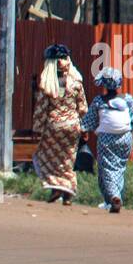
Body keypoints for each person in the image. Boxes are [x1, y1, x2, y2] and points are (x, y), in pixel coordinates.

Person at [80, 67, 133, 213]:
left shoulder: (99, 101)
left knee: (107, 169)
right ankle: (111, 199)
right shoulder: (128, 99)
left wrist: (83, 133)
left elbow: (87, 122)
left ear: (104, 84)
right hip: (125, 139)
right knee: (119, 169)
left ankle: (114, 197)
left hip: (106, 140)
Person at [31, 43, 87, 205]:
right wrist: (85, 128)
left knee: (47, 157)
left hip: (53, 128)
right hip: (73, 126)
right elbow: (83, 108)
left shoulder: (47, 84)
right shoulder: (76, 83)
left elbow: (41, 111)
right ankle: (67, 193)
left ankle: (56, 187)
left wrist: (37, 129)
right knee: (68, 160)